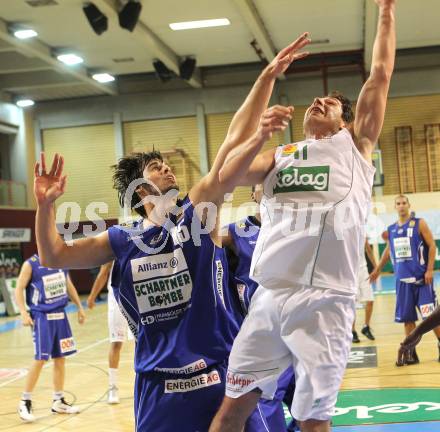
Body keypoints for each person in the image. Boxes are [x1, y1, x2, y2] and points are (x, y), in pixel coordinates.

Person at [32, 34, 306, 431]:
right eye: (156, 166)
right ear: (140, 191)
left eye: (166, 164)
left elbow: (230, 147)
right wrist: (45, 207)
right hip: (158, 388)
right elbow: (53, 256)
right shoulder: (121, 241)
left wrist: (265, 79)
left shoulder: (198, 216)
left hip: (219, 377)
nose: (167, 168)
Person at [209, 1, 396, 431]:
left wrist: (386, 10)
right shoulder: (282, 154)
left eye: (329, 102)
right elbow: (226, 176)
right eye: (316, 99)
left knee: (312, 421)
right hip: (270, 296)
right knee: (232, 408)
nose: (317, 101)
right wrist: (258, 137)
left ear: (348, 124)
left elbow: (381, 73)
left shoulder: (356, 148)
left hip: (326, 299)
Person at [224, 184, 297, 431]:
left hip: (297, 336)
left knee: (315, 418)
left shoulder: (295, 226)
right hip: (263, 343)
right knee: (266, 422)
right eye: (260, 186)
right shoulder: (236, 233)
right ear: (252, 195)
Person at [14, 254, 86, 422]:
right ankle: (25, 401)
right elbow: (18, 288)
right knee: (40, 359)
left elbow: (68, 285)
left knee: (60, 358)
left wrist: (79, 307)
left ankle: (58, 400)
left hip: (61, 315)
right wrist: (23, 313)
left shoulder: (62, 260)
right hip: (42, 316)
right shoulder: (30, 264)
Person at [370, 195, 440, 364]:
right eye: (398, 204)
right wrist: (377, 270)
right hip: (402, 283)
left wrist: (430, 269)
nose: (401, 206)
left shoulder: (419, 223)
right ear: (395, 207)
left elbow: (432, 245)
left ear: (409, 205)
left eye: (404, 203)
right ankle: (411, 353)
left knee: (431, 317)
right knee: (408, 319)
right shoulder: (392, 229)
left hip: (422, 281)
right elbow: (388, 251)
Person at [87, 261, 134, 404]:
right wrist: (92, 296)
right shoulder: (113, 245)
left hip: (136, 296)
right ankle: (112, 386)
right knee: (116, 342)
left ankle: (142, 381)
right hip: (117, 298)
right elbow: (103, 273)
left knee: (140, 342)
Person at [352, 239, 377, 343]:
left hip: (363, 271)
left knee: (370, 300)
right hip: (351, 272)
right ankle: (352, 331)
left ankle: (366, 327)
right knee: (352, 303)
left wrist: (376, 267)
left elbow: (369, 251)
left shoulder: (362, 231)